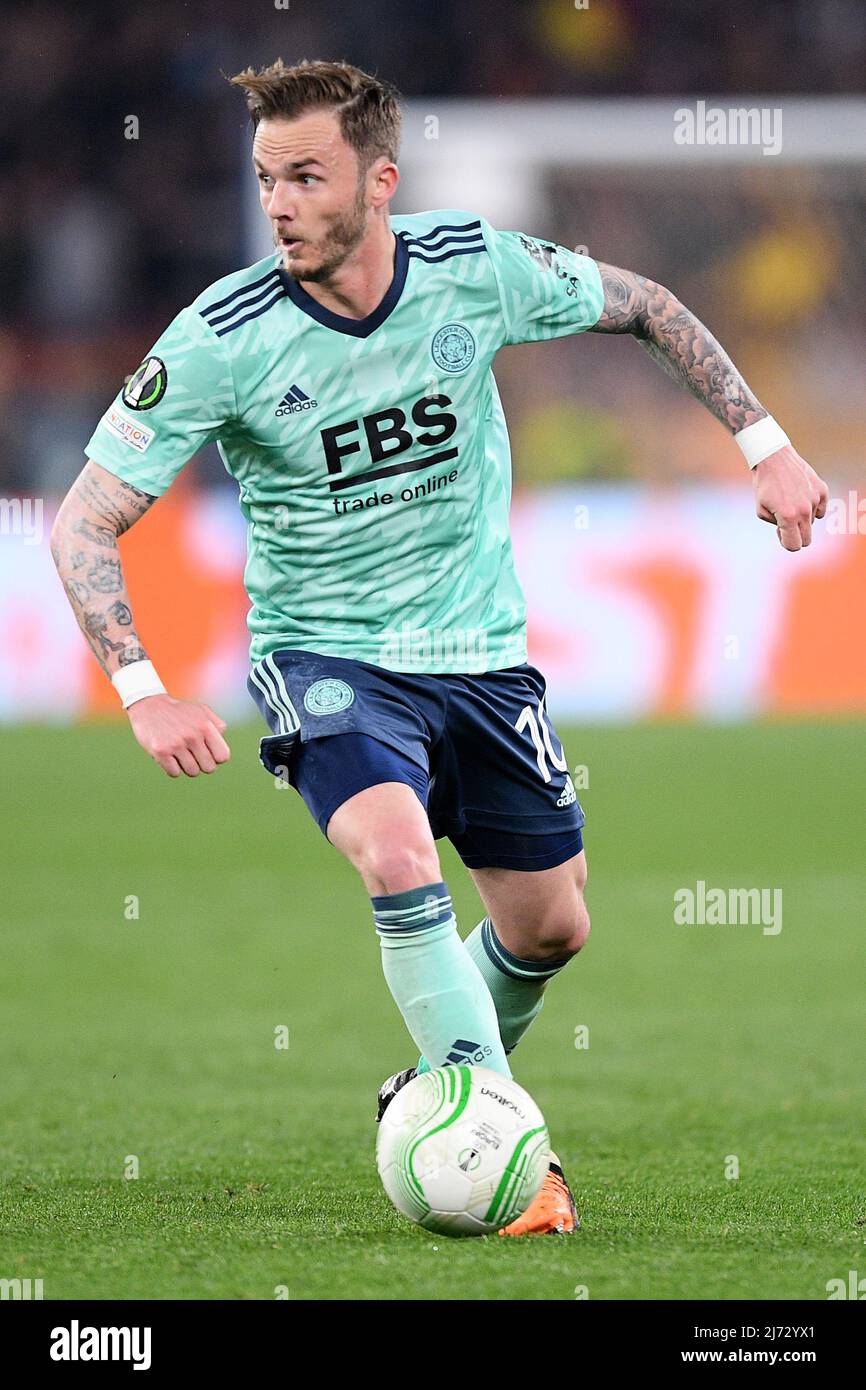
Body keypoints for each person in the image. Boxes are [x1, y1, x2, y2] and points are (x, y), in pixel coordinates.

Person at [50, 58, 829, 1236]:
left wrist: (763, 443)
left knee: (549, 926)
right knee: (397, 857)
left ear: (379, 180)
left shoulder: (472, 270)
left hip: (480, 653)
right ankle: (508, 1151)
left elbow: (649, 305)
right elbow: (85, 520)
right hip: (329, 659)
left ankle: (429, 1086)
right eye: (267, 178)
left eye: (306, 176)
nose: (280, 204)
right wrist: (143, 688)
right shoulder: (223, 336)